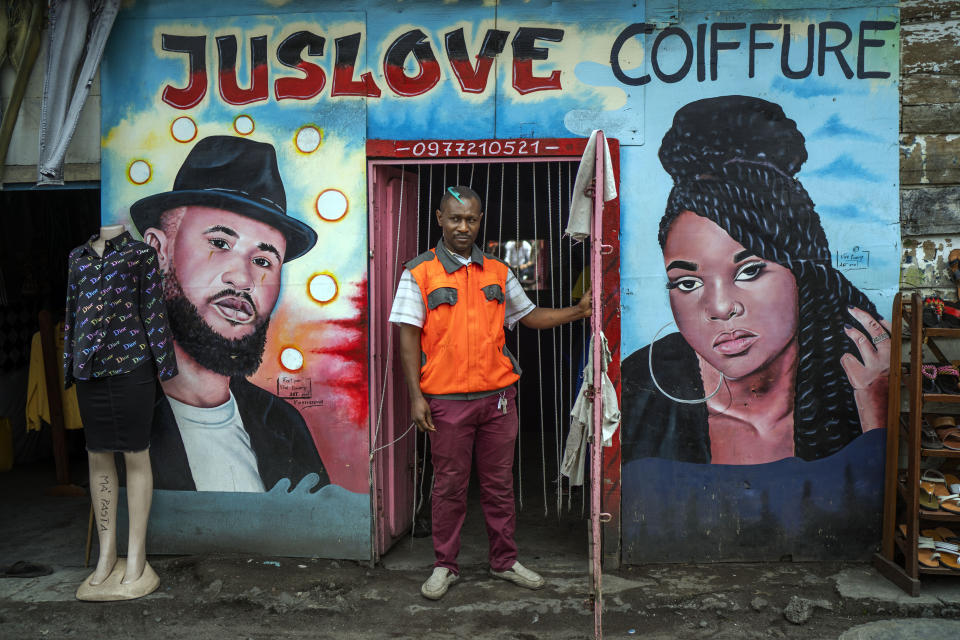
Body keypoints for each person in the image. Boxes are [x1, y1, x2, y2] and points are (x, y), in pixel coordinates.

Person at [620, 95, 890, 466]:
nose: (719, 308)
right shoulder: (639, 390)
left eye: (749, 271)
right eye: (687, 283)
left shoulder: (859, 387)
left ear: (803, 271)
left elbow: (875, 513)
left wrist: (876, 415)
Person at [389, 185, 591, 600]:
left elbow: (530, 316)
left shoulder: (499, 271)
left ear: (480, 221)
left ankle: (504, 561)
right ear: (440, 219)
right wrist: (415, 396)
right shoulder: (419, 272)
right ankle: (445, 565)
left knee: (499, 484)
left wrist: (579, 310)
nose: (464, 226)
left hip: (499, 399)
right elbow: (408, 339)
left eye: (472, 219)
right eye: (455, 218)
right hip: (445, 401)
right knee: (449, 486)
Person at [129, 135, 329, 492]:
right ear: (157, 251)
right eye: (220, 243)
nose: (243, 278)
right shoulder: (125, 414)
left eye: (264, 260)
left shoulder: (283, 424)